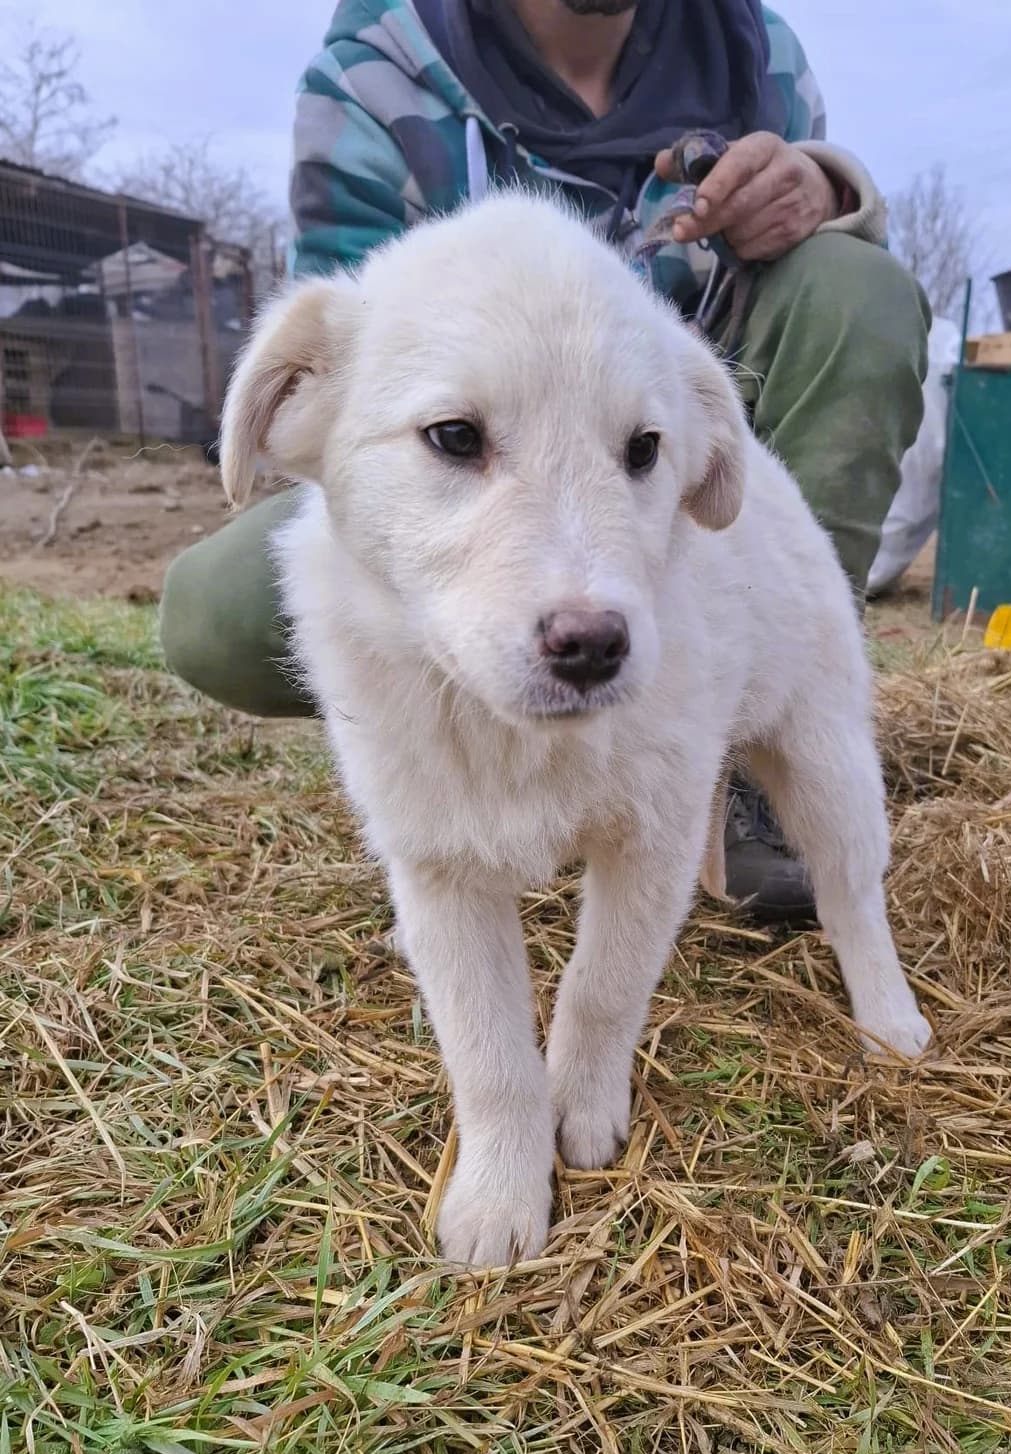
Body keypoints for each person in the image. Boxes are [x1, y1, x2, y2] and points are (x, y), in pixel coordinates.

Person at [160, 0, 930, 923]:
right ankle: (440, 771)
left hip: (683, 433)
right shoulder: (379, 66)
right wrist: (456, 438)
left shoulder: (754, 51)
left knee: (861, 289)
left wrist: (825, 189)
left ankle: (752, 750)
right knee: (222, 611)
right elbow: (361, 353)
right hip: (469, 440)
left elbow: (812, 288)